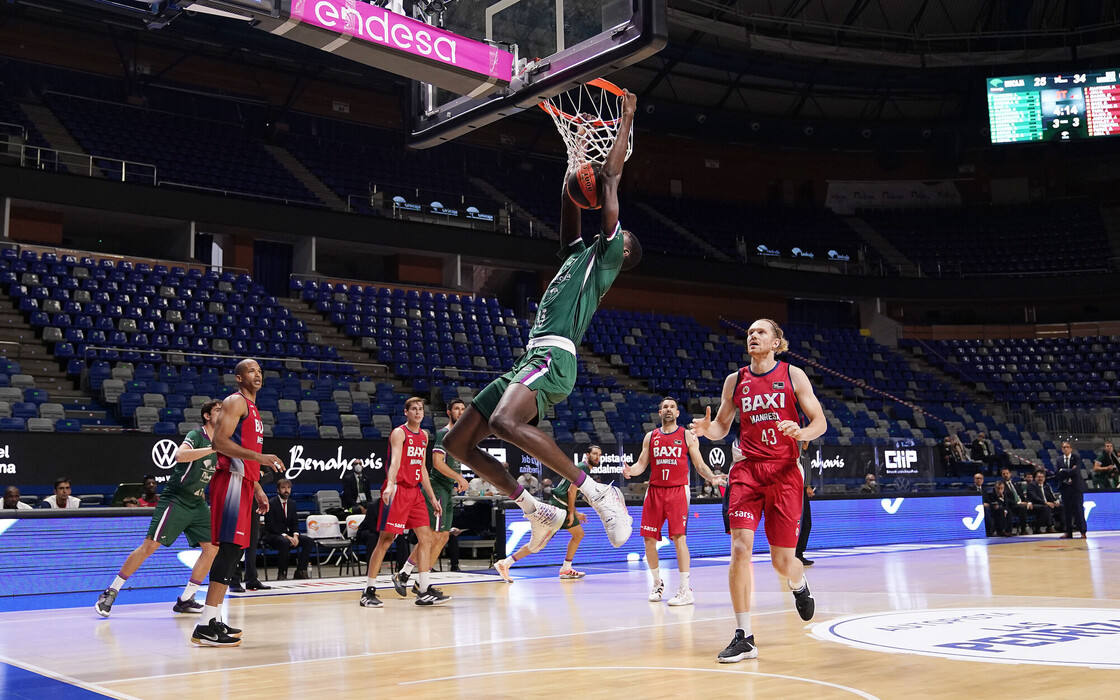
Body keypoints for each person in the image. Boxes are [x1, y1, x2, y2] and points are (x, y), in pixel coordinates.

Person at [442, 90, 641, 557]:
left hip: (556, 356)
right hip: (532, 356)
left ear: (625, 250)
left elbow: (610, 178)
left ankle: (597, 492)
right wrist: (573, 165)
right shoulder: (576, 255)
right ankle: (534, 506)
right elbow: (570, 207)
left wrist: (626, 117)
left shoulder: (608, 258)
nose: (615, 230)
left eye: (621, 234)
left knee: (505, 420)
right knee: (458, 442)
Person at [691, 318, 826, 663]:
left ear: (776, 340)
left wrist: (801, 432)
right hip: (747, 470)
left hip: (783, 473)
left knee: (783, 561)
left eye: (760, 332)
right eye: (750, 332)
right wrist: (709, 430)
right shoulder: (735, 380)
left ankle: (798, 583)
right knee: (740, 547)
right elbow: (723, 425)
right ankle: (744, 636)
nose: (752, 336)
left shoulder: (793, 375)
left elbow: (819, 423)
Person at [96, 400, 224, 618]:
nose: (223, 414)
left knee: (212, 548)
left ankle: (186, 599)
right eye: (218, 411)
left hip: (198, 503)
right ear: (207, 416)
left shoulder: (223, 441)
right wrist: (212, 448)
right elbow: (179, 456)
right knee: (149, 547)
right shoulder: (196, 436)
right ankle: (111, 590)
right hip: (176, 499)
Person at [191, 358, 286, 647]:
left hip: (243, 482)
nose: (257, 374)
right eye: (250, 371)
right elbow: (220, 443)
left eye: (259, 370)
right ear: (238, 378)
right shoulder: (235, 402)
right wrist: (261, 458)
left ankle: (212, 618)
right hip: (230, 480)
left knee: (235, 550)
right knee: (229, 548)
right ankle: (205, 624)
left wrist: (256, 486)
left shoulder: (254, 408)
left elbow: (243, 454)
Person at [624, 398, 725, 605]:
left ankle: (685, 588)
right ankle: (657, 583)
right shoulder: (650, 437)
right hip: (654, 491)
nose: (668, 410)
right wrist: (630, 471)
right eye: (665, 407)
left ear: (678, 413)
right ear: (660, 412)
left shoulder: (687, 435)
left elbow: (699, 464)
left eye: (672, 407)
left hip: (677, 490)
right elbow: (641, 465)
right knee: (648, 540)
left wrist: (711, 477)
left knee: (679, 538)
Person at [359, 397, 447, 608]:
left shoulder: (425, 436)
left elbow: (423, 469)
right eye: (414, 409)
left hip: (416, 492)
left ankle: (424, 589)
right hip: (398, 489)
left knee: (426, 539)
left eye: (420, 409)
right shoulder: (399, 433)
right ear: (406, 412)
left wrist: (432, 497)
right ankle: (368, 591)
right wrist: (390, 484)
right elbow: (395, 460)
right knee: (385, 540)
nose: (418, 412)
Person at [494, 446, 604, 582]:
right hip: (559, 507)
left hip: (561, 506)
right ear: (587, 455)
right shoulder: (583, 467)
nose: (597, 457)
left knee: (546, 543)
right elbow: (571, 492)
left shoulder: (581, 468)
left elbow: (571, 492)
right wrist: (572, 512)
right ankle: (506, 563)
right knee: (541, 544)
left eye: (599, 454)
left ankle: (507, 563)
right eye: (594, 454)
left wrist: (574, 512)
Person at [396, 398, 470, 590]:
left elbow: (453, 463)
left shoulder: (461, 436)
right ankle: (413, 577)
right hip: (437, 488)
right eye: (457, 409)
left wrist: (458, 478)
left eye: (463, 409)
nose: (461, 412)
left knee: (444, 536)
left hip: (448, 489)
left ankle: (411, 576)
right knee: (432, 536)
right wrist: (459, 478)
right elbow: (437, 463)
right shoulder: (443, 434)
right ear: (449, 412)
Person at [263, 478, 313, 580]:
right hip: (273, 535)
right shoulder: (271, 503)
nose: (286, 490)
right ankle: (282, 573)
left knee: (308, 541)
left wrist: (295, 535)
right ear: (278, 490)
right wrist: (286, 536)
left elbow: (295, 522)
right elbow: (270, 525)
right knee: (284, 542)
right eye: (283, 488)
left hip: (288, 535)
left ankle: (301, 571)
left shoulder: (292, 503)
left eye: (289, 488)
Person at [1055, 441, 1087, 539]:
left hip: (1076, 488)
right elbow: (1058, 473)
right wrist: (1069, 471)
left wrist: (1064, 471)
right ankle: (1068, 532)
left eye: (1067, 447)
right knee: (1066, 511)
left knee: (1078, 510)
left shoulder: (1076, 457)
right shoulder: (1059, 459)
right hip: (1065, 488)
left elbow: (1076, 471)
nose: (1065, 449)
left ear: (1071, 448)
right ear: (1062, 449)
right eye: (1064, 447)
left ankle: (1082, 532)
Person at [1023, 469, 1055, 533]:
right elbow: (1035, 497)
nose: (1040, 479)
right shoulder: (1031, 485)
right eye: (1038, 477)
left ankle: (1062, 526)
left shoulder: (1047, 486)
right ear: (1035, 478)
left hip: (1046, 504)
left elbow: (1051, 497)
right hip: (1035, 504)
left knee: (1061, 507)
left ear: (1044, 478)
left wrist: (1055, 502)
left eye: (1042, 477)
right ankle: (1039, 527)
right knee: (1046, 507)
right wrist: (1046, 502)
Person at [795, 482, 814, 567]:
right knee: (803, 523)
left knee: (805, 523)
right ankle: (796, 554)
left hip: (799, 487)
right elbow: (804, 468)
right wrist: (806, 485)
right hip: (797, 488)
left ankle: (797, 554)